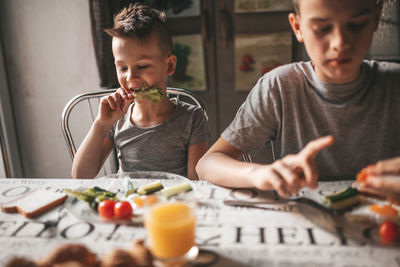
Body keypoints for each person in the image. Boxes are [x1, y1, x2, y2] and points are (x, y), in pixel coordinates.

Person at [196, 0, 400, 197]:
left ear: (376, 18)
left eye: (356, 25)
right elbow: (207, 165)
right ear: (298, 27)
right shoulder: (280, 87)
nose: (340, 43)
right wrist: (260, 173)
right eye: (322, 28)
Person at [72, 4, 209, 180]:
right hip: (129, 204)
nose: (130, 77)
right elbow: (80, 176)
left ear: (170, 65)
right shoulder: (117, 120)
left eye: (142, 66)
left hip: (172, 204)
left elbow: (196, 184)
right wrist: (101, 124)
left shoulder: (192, 118)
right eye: (122, 68)